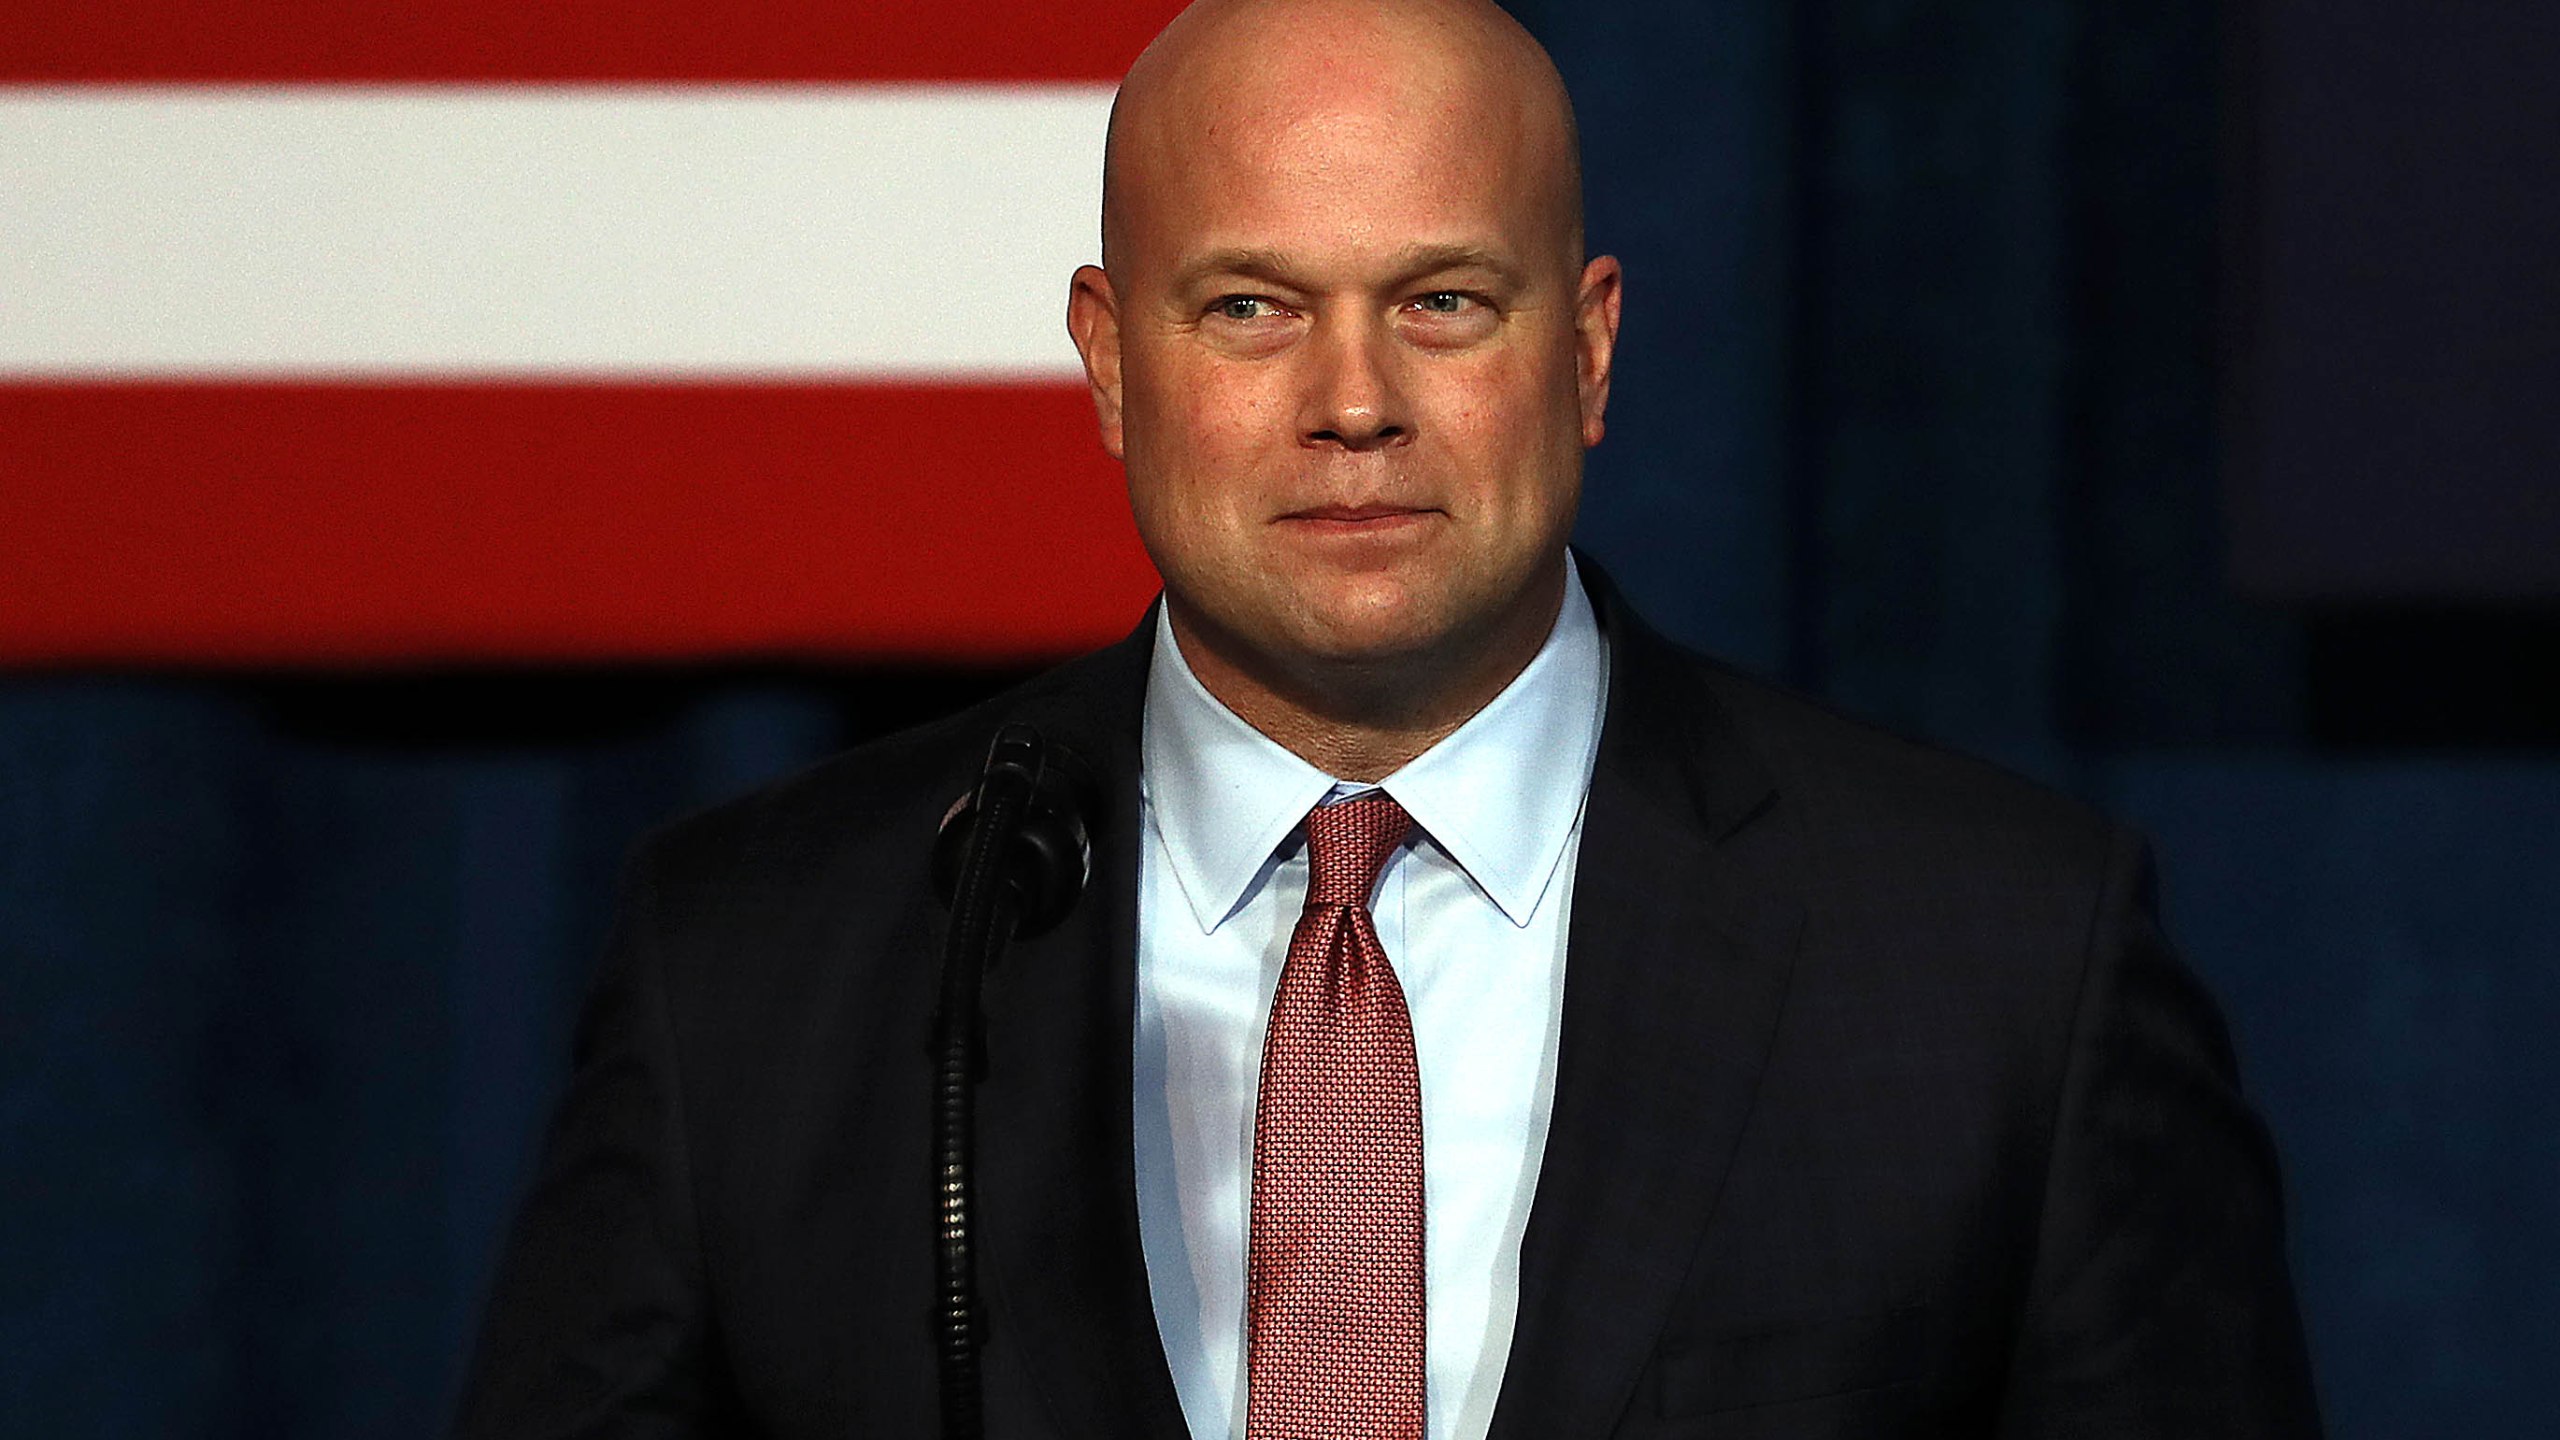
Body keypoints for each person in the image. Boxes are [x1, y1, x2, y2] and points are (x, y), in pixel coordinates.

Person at [452, 0, 2322, 1436]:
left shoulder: (2005, 968)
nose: (1353, 400)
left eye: (1440, 301)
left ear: (1586, 353)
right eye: (1251, 307)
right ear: (1110, 364)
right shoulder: (759, 966)